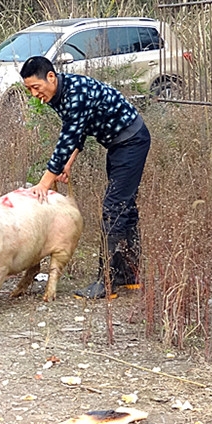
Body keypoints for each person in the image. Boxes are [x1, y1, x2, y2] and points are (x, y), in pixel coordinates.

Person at [20, 56, 151, 299]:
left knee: (114, 209)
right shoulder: (58, 94)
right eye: (29, 89)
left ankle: (107, 282)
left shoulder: (75, 92)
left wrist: (44, 183)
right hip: (118, 145)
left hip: (131, 142)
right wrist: (67, 164)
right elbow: (78, 131)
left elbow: (68, 138)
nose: (34, 94)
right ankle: (130, 275)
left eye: (35, 88)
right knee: (125, 208)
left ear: (50, 77)